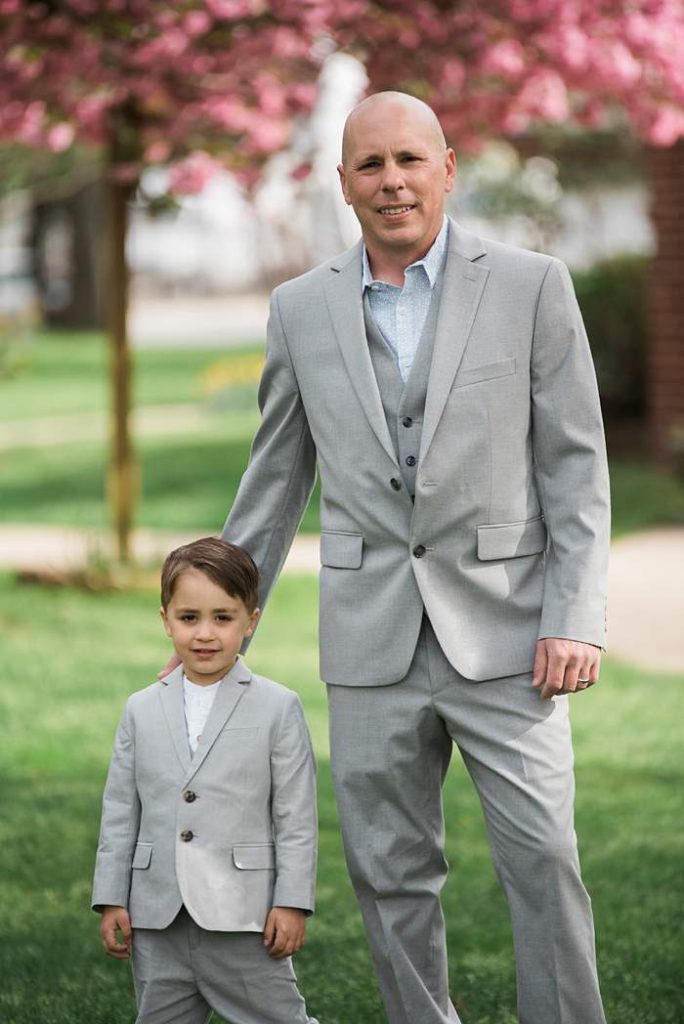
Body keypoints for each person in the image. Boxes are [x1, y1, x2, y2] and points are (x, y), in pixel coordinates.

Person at [222, 91, 610, 1024]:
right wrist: (219, 613)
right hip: (370, 637)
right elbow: (275, 479)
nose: (391, 181)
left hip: (511, 634)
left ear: (446, 169)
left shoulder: (531, 285)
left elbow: (576, 465)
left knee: (544, 856)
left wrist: (573, 617)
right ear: (345, 184)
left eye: (408, 160)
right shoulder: (301, 309)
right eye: (370, 165)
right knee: (388, 872)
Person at [92, 537, 319, 1024]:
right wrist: (111, 897)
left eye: (223, 617)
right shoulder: (140, 709)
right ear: (166, 620)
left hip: (245, 917)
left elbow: (296, 816)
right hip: (157, 916)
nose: (205, 634)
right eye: (189, 618)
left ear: (250, 621)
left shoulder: (278, 707)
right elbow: (119, 812)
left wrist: (293, 902)